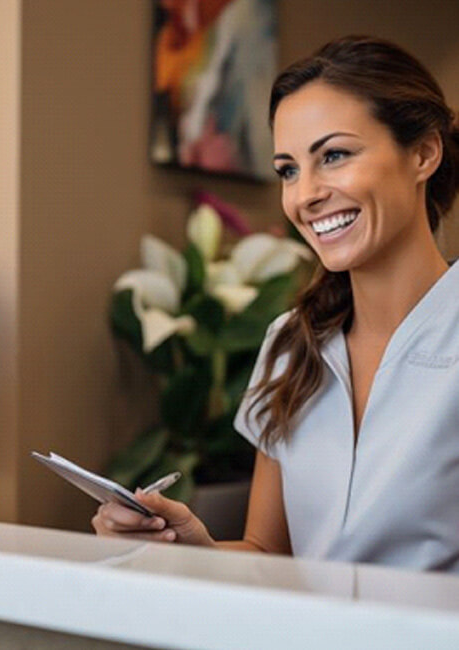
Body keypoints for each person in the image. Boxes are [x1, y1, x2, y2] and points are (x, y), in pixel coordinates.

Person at [93, 35, 459, 571]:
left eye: (334, 155)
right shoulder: (291, 344)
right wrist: (187, 547)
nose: (304, 194)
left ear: (424, 153)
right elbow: (270, 555)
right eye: (288, 169)